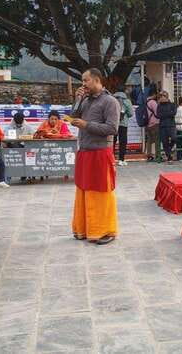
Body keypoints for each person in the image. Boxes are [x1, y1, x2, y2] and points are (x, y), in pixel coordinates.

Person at [69, 68, 120, 245]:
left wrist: (86, 125)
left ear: (97, 80)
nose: (83, 84)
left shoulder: (110, 101)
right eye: (82, 81)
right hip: (84, 150)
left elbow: (112, 129)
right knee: (83, 189)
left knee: (100, 192)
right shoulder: (85, 100)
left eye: (86, 80)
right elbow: (74, 116)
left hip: (100, 152)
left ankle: (105, 230)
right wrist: (77, 100)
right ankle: (83, 228)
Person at [112, 85, 134, 166]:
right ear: (124, 91)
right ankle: (121, 160)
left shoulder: (111, 99)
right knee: (123, 141)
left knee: (112, 141)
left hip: (113, 123)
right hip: (123, 124)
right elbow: (131, 113)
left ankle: (111, 159)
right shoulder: (126, 100)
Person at [156, 91, 178, 163]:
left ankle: (169, 149)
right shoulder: (159, 106)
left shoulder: (172, 104)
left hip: (171, 125)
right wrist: (168, 114)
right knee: (164, 142)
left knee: (174, 138)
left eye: (163, 96)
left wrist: (165, 114)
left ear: (167, 97)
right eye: (161, 96)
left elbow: (174, 113)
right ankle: (169, 157)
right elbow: (158, 115)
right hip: (162, 126)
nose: (162, 98)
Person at [144, 89, 160, 161]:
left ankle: (149, 155)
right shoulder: (153, 102)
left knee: (149, 141)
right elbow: (157, 113)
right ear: (153, 94)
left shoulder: (146, 102)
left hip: (147, 124)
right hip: (154, 123)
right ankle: (157, 155)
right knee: (157, 140)